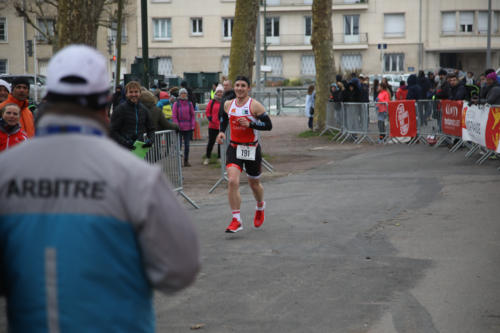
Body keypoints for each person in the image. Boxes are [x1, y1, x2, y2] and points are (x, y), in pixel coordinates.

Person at [0, 44, 199, 332]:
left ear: (46, 97)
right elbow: (180, 269)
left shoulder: (7, 172)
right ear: (106, 101)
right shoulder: (136, 176)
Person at [216, 75, 273, 233]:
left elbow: (268, 125)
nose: (239, 88)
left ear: (249, 88)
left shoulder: (255, 106)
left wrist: (250, 124)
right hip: (234, 148)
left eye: (243, 86)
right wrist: (221, 132)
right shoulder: (228, 104)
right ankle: (236, 219)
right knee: (232, 181)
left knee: (254, 184)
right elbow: (224, 119)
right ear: (234, 88)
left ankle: (260, 205)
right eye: (237, 85)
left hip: (251, 149)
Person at [110, 81, 154, 150]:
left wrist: (151, 140)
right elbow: (112, 130)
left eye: (136, 92)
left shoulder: (144, 110)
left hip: (138, 149)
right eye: (131, 92)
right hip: (122, 149)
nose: (134, 94)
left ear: (140, 93)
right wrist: (125, 142)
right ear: (126, 94)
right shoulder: (120, 109)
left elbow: (151, 129)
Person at [172, 88, 195, 167]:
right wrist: (177, 125)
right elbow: (174, 116)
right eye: (182, 93)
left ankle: (186, 160)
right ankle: (179, 162)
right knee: (179, 145)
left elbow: (192, 115)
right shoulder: (176, 104)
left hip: (188, 128)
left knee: (187, 145)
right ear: (179, 94)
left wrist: (192, 125)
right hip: (179, 128)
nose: (183, 95)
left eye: (185, 93)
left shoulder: (189, 103)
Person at [204, 84, 223, 165]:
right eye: (218, 92)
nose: (219, 93)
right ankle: (208, 157)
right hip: (212, 126)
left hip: (221, 126)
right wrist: (209, 118)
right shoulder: (212, 102)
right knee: (211, 142)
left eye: (221, 92)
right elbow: (207, 111)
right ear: (216, 93)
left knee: (220, 143)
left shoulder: (225, 101)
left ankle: (220, 157)